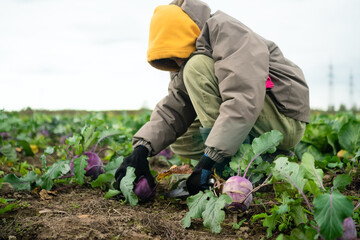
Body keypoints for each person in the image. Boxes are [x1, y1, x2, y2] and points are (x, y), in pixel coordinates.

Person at [115, 0, 310, 196]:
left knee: (195, 67)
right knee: (181, 137)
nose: (177, 63)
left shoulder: (227, 32)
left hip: (283, 118)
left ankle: (226, 169)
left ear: (186, 36)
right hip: (256, 115)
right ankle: (262, 161)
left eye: (176, 56)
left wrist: (209, 160)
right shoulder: (186, 58)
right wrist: (141, 150)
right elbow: (174, 107)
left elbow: (242, 98)